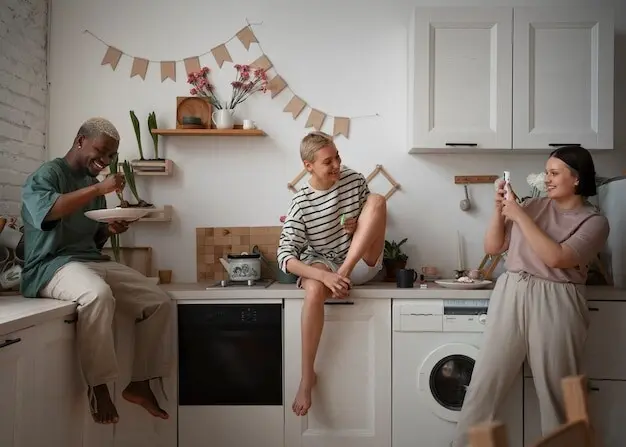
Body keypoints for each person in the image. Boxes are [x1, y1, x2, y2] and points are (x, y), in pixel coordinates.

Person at [452, 145, 610, 446]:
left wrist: (520, 216)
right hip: (511, 291)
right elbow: (493, 247)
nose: (547, 179)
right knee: (484, 384)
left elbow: (557, 257)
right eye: (546, 173)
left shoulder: (594, 222)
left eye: (554, 173)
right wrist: (499, 210)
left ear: (577, 179)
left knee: (558, 393)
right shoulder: (533, 205)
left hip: (557, 300)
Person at [20, 117, 172, 425]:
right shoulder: (48, 174)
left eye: (111, 156)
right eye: (101, 152)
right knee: (98, 295)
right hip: (49, 264)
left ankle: (140, 383)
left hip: (89, 261)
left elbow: (91, 239)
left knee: (158, 301)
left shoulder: (94, 187)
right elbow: (47, 212)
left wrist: (110, 230)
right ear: (80, 141)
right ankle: (99, 386)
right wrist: (98, 188)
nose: (105, 161)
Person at [277, 131, 387, 416]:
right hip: (324, 263)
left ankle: (342, 276)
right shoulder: (301, 203)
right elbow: (285, 257)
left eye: (337, 157)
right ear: (308, 166)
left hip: (359, 263)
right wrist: (325, 277)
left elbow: (372, 219)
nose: (337, 164)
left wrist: (356, 225)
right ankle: (307, 377)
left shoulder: (354, 180)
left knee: (377, 201)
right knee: (314, 288)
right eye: (328, 162)